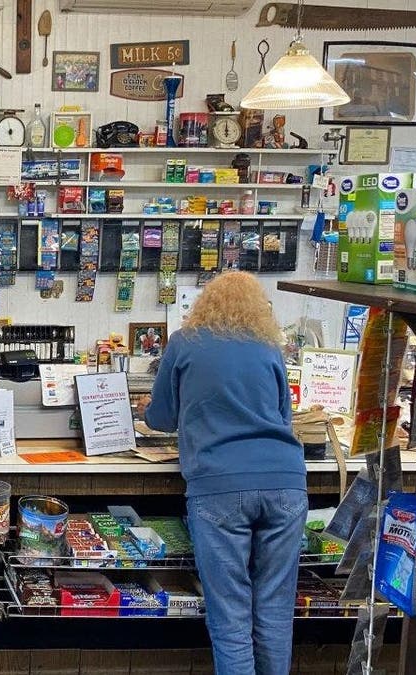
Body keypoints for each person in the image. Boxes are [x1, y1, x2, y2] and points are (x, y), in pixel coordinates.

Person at [139, 271, 306, 675]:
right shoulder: (269, 348)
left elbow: (161, 418)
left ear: (203, 304)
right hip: (285, 483)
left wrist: (156, 410)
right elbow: (284, 417)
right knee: (274, 608)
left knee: (231, 614)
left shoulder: (184, 343)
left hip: (218, 487)